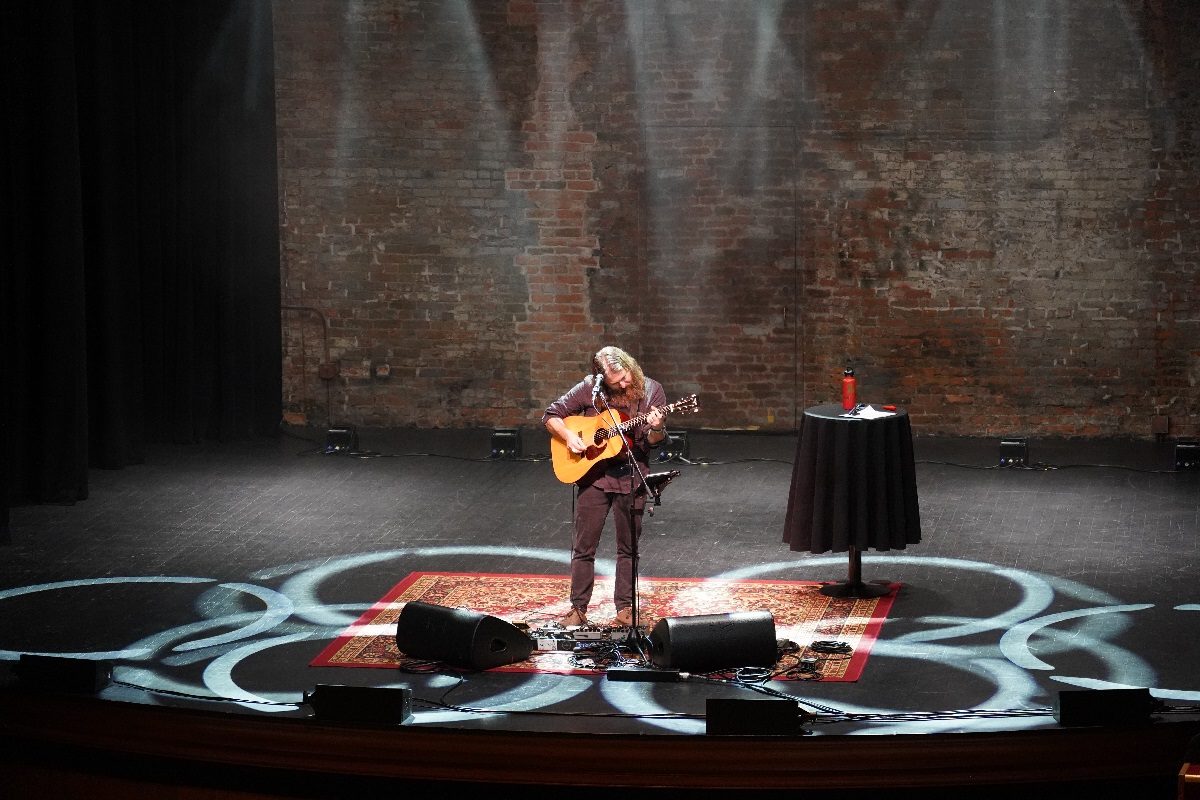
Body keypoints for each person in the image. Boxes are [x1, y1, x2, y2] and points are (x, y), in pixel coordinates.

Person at [542, 346, 668, 628]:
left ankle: (625, 609)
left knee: (628, 548)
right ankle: (578, 608)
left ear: (630, 365)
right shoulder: (590, 388)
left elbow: (653, 442)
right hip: (594, 477)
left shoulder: (651, 390)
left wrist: (657, 427)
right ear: (602, 380)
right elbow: (551, 415)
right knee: (583, 547)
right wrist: (569, 437)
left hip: (632, 476)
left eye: (625, 376)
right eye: (616, 382)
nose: (624, 384)